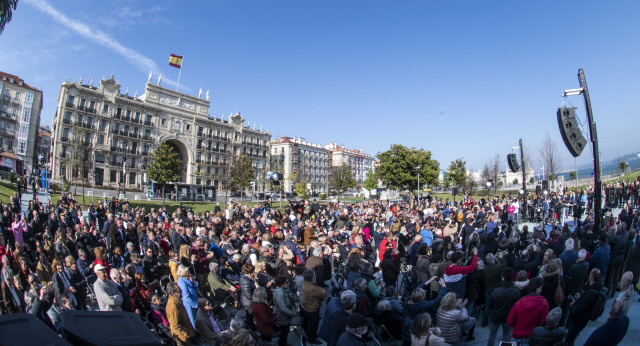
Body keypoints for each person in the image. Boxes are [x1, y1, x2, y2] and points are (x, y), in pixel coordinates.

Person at [565, 268, 605, 345]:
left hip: (579, 320)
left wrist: (572, 305)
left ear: (591, 277)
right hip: (583, 320)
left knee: (570, 338)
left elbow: (577, 309)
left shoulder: (590, 293)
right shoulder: (597, 288)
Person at [507, 277, 549, 345]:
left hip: (516, 336)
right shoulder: (543, 303)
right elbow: (543, 321)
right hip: (531, 336)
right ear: (538, 289)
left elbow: (509, 321)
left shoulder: (519, 303)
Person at [487, 267, 520, 346]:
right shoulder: (516, 291)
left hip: (496, 316)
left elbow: (491, 305)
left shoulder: (496, 291)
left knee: (492, 335)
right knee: (506, 335)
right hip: (508, 317)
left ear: (503, 277)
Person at [301, 269, 326, 344]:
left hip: (307, 306)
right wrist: (319, 287)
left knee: (311, 324)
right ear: (312, 278)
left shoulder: (305, 283)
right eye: (314, 275)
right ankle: (312, 338)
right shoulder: (312, 288)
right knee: (313, 325)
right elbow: (324, 293)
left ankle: (311, 335)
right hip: (312, 308)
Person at [273, 275, 297, 346]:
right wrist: (293, 313)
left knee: (285, 331)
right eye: (287, 282)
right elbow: (283, 308)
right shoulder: (279, 294)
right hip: (282, 317)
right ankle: (282, 344)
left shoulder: (284, 290)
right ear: (281, 284)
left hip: (285, 317)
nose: (289, 283)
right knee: (284, 332)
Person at [176, 265, 198, 329]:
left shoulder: (187, 279)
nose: (188, 273)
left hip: (193, 299)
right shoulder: (181, 282)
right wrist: (195, 304)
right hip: (189, 303)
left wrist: (192, 281)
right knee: (192, 319)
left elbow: (195, 288)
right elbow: (186, 296)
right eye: (187, 272)